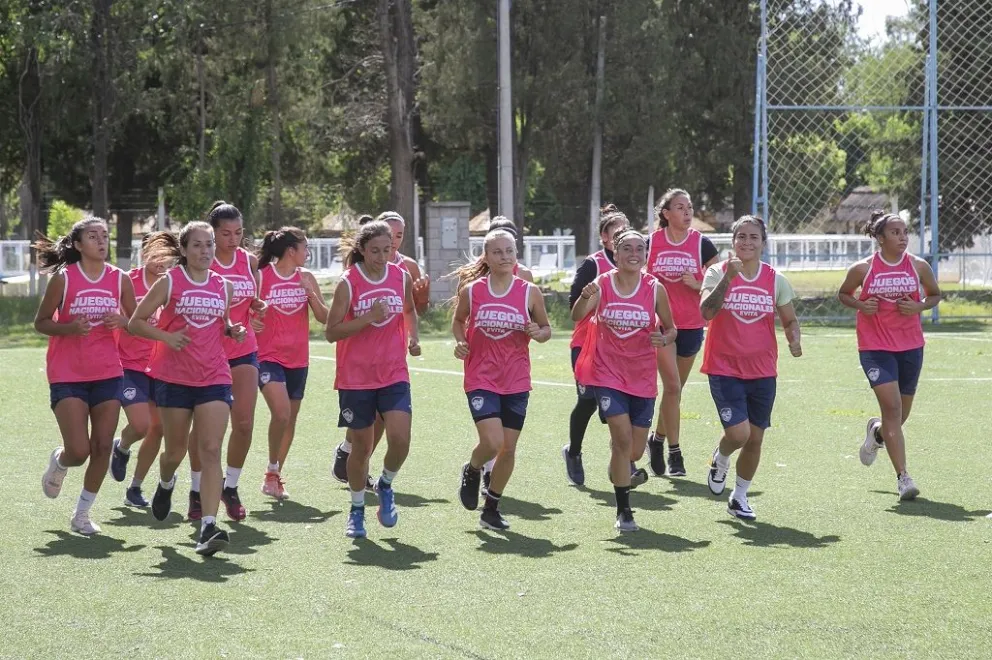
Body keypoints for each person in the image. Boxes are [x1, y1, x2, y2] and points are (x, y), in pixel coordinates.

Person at [129, 223, 246, 556]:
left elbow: (221, 323)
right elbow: (135, 322)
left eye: (209, 245)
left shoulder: (223, 285)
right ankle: (166, 482)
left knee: (210, 450)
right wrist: (166, 337)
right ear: (184, 249)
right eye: (197, 245)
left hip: (214, 376)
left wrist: (233, 330)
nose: (205, 251)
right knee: (175, 452)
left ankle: (208, 526)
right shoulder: (170, 281)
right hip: (174, 378)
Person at [572, 226, 677, 532]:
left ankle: (619, 466)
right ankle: (624, 511)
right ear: (615, 255)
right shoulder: (603, 283)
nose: (634, 254)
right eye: (627, 249)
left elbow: (672, 329)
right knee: (621, 438)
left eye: (639, 249)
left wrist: (664, 338)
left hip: (642, 376)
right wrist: (584, 297)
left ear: (646, 255)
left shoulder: (655, 288)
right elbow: (577, 316)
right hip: (607, 373)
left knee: (633, 450)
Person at [36, 216, 135, 535]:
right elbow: (41, 322)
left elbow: (136, 321)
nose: (101, 241)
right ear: (78, 245)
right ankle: (61, 461)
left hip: (108, 372)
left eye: (104, 236)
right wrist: (68, 328)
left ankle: (81, 514)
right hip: (67, 373)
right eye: (93, 236)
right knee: (79, 451)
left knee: (103, 447)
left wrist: (122, 321)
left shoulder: (120, 279)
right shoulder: (64, 279)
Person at [699, 215, 802, 521]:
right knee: (738, 434)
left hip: (762, 370)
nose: (747, 242)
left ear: (763, 243)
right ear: (733, 241)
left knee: (755, 438)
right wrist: (728, 279)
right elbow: (706, 312)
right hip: (724, 366)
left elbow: (790, 320)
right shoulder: (716, 272)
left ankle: (739, 497)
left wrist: (794, 339)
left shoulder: (775, 279)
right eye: (741, 236)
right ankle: (721, 457)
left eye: (753, 237)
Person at [325, 220, 420, 539]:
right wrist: (368, 318)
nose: (382, 257)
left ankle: (386, 484)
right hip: (356, 377)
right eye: (375, 251)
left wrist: (413, 337)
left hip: (393, 372)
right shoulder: (349, 282)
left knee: (400, 439)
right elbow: (331, 332)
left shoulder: (401, 276)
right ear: (363, 251)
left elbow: (409, 310)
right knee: (362, 448)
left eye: (387, 250)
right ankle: (356, 510)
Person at [452, 229, 552, 530]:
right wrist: (461, 341)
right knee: (493, 442)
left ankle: (491, 509)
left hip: (516, 379)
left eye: (509, 251)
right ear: (486, 257)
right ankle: (473, 469)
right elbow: (458, 321)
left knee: (508, 448)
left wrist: (538, 333)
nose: (505, 257)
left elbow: (546, 328)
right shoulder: (473, 291)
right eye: (497, 252)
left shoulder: (529, 292)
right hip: (481, 376)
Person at [838, 210, 941, 501]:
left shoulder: (919, 266)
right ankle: (903, 478)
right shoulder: (863, 268)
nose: (902, 237)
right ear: (880, 238)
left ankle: (877, 433)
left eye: (904, 232)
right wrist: (860, 305)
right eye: (895, 232)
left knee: (900, 415)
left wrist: (919, 306)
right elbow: (843, 294)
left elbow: (934, 294)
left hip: (910, 347)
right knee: (893, 408)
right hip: (875, 348)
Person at [187, 201, 266, 522]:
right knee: (204, 432)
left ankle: (229, 487)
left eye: (238, 233)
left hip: (244, 348)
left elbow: (250, 302)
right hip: (207, 353)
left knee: (244, 423)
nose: (233, 239)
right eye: (225, 233)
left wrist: (256, 309)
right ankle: (196, 490)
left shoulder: (249, 261)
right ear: (212, 234)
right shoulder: (201, 263)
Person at [645, 189, 719, 477]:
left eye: (689, 207)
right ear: (666, 214)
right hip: (662, 325)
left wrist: (699, 283)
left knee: (674, 391)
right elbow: (636, 277)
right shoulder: (652, 243)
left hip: (692, 324)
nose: (687, 212)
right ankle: (675, 453)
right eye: (680, 207)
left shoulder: (702, 243)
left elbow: (720, 281)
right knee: (672, 387)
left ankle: (657, 439)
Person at [254, 227, 329, 500]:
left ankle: (273, 475)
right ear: (291, 251)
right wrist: (251, 320)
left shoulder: (306, 277)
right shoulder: (262, 276)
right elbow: (246, 309)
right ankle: (271, 473)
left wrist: (311, 295)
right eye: (304, 247)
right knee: (282, 413)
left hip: (298, 359)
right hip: (268, 357)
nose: (307, 253)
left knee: (289, 419)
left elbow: (324, 317)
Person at [561, 205, 627, 486]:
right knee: (588, 401)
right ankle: (573, 452)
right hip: (587, 345)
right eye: (617, 233)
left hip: (621, 348)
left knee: (620, 405)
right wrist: (595, 300)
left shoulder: (637, 265)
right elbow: (573, 307)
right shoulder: (594, 265)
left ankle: (624, 460)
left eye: (626, 231)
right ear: (605, 238)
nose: (622, 237)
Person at [109, 234, 168, 508]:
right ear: (144, 254)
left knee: (158, 428)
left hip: (163, 366)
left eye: (167, 256)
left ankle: (135, 488)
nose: (161, 262)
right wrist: (124, 321)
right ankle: (121, 446)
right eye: (156, 255)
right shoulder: (127, 281)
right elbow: (111, 315)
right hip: (129, 364)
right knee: (141, 425)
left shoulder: (176, 284)